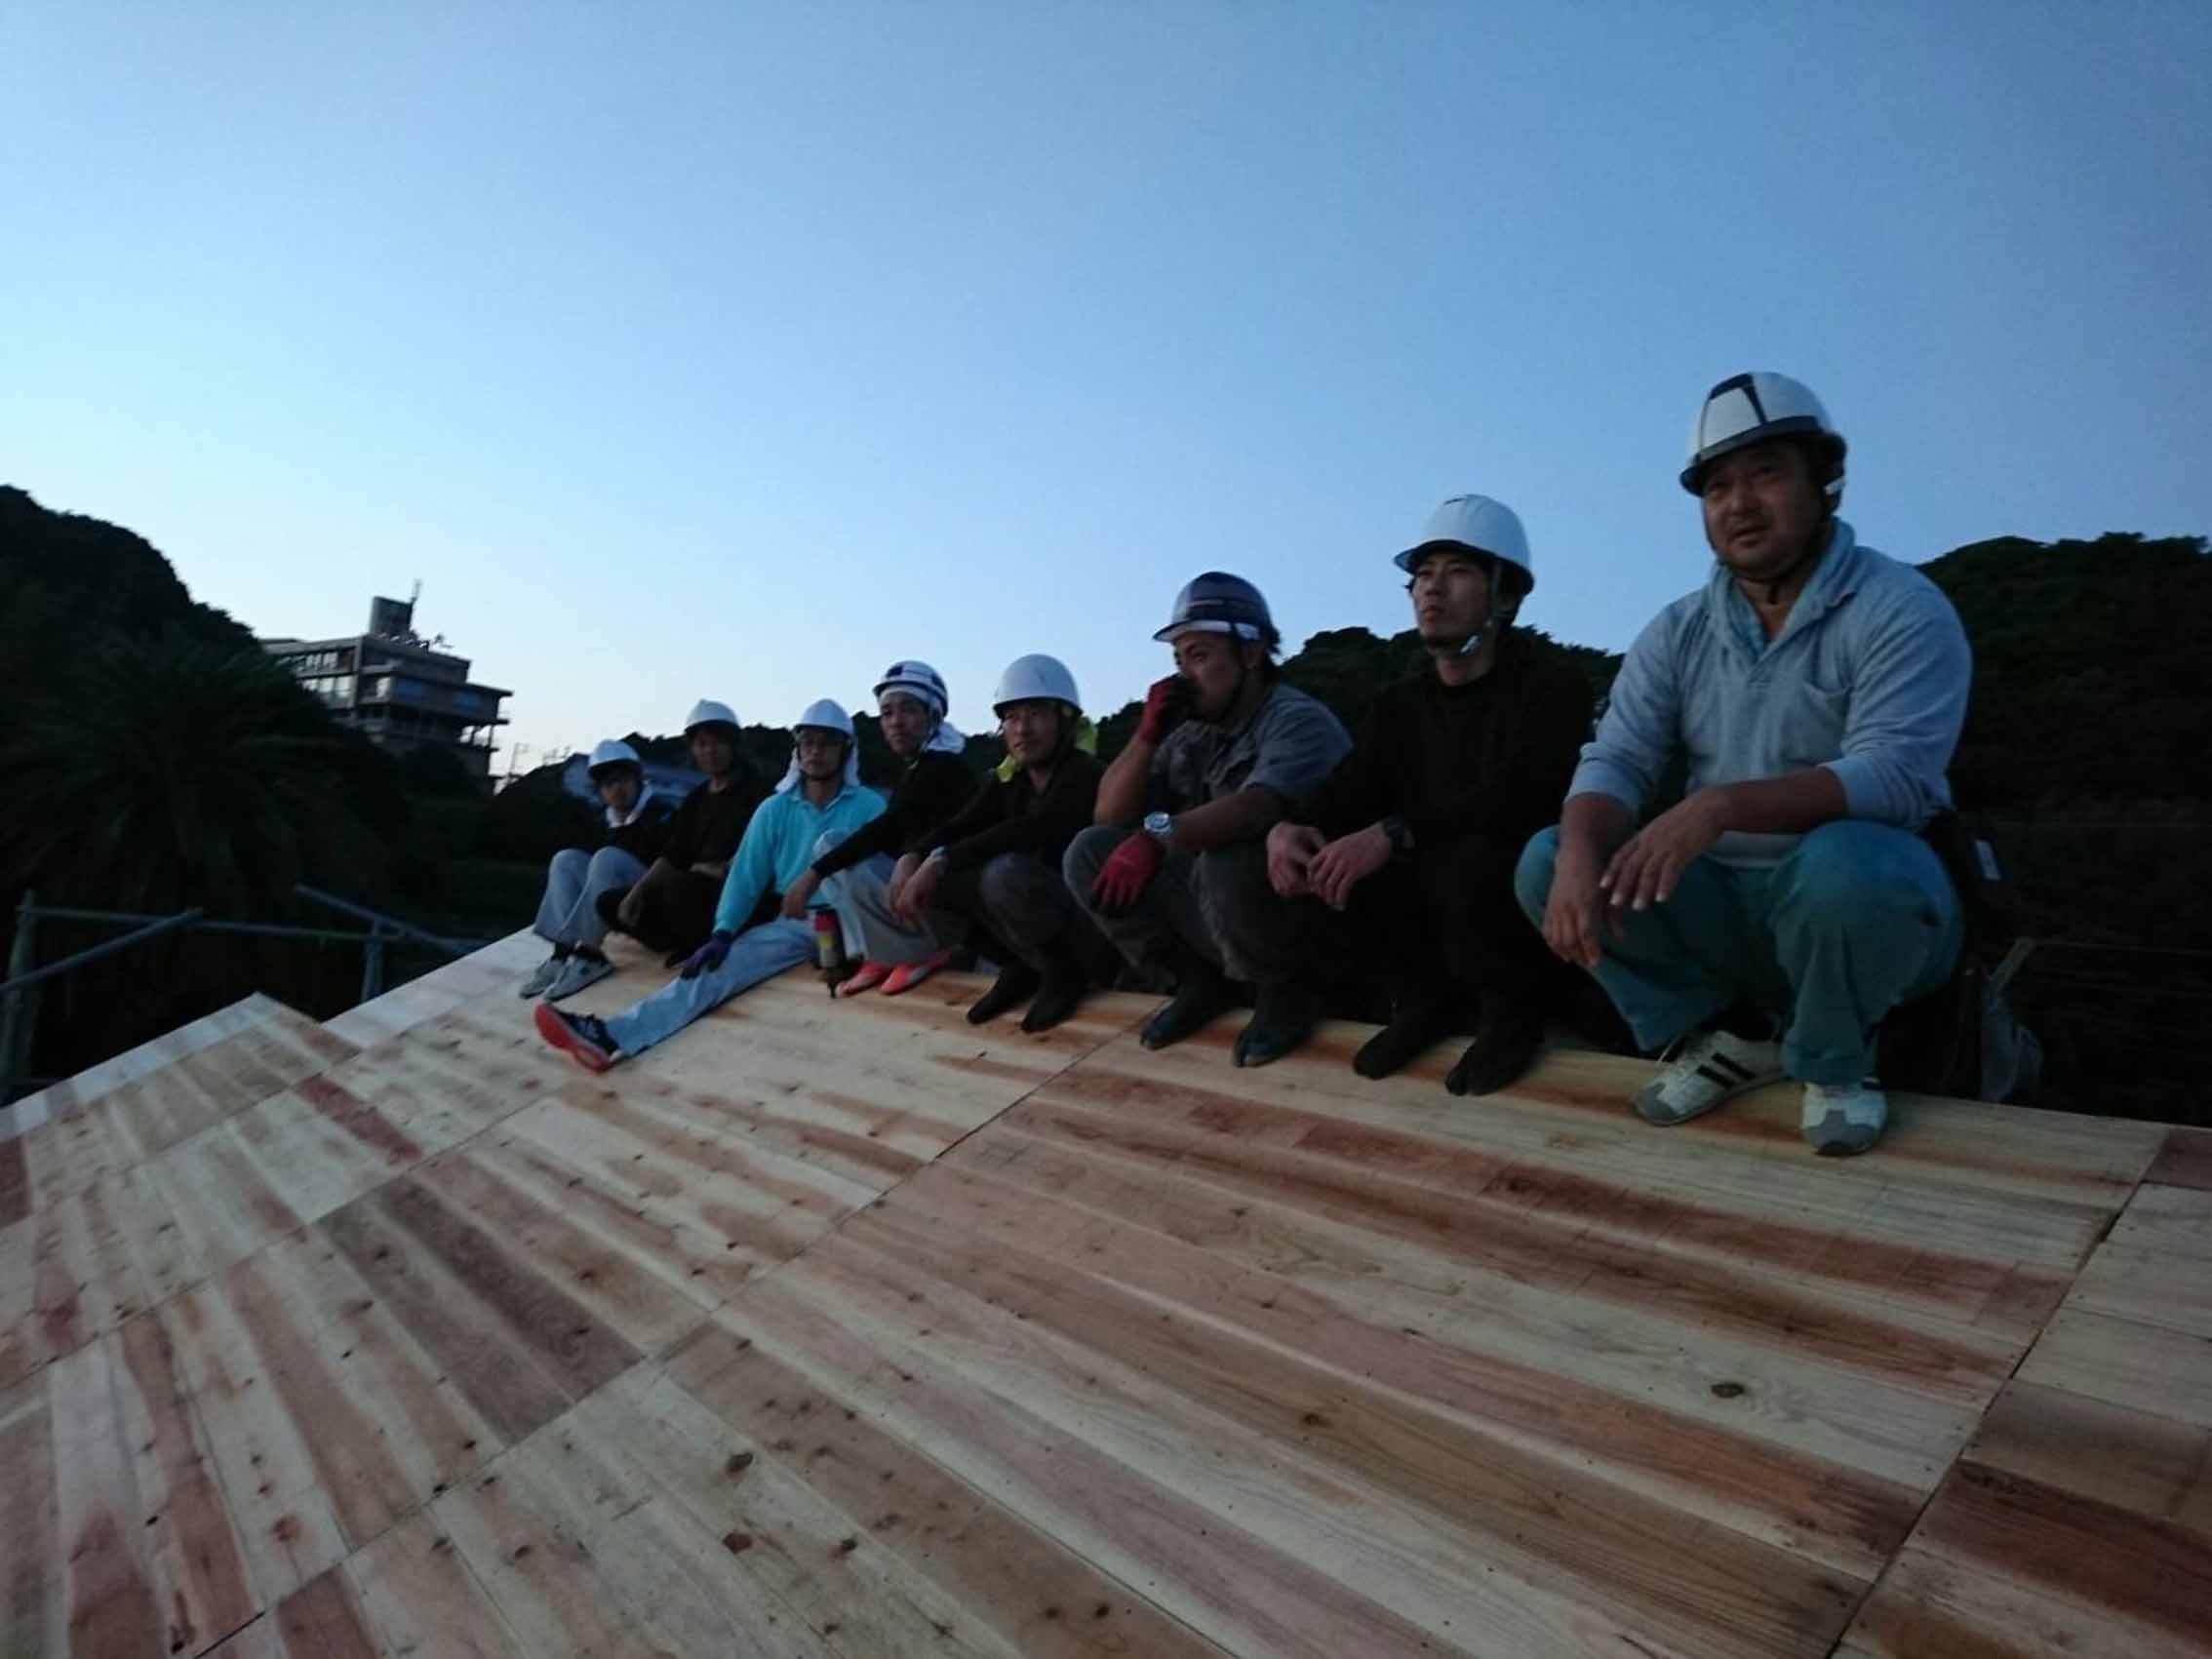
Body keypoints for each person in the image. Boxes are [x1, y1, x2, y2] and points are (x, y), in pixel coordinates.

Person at [1517, 373, 1971, 1155]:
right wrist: (1580, 854)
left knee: (1848, 866)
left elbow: (1897, 776)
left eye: (1766, 473)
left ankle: (1835, 1060)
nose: (1739, 504)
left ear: (1824, 481)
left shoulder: (1900, 605)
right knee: (1548, 859)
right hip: (1726, 905)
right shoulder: (1678, 630)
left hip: (1862, 903)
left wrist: (1719, 805)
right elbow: (1617, 757)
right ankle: (1729, 1036)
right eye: (1717, 486)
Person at [1265, 494, 1593, 1091]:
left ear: (1505, 595)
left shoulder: (1553, 687)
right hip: (1432, 907)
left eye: (1457, 571)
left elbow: (1527, 795)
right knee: (1322, 856)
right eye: (1422, 575)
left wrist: (1394, 832)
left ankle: (1514, 1013)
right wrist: (1288, 829)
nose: (1432, 590)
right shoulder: (1401, 705)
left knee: (1473, 856)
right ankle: (1420, 1001)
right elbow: (1349, 789)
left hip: (1517, 899)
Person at [1066, 573, 1352, 1062]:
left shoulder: (1297, 720)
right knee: (1089, 851)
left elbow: (1257, 807)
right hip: (1224, 916)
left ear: (1250, 654)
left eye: (1198, 657)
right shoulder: (1194, 731)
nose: (1184, 677)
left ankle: (1286, 991)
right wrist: (1147, 734)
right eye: (1178, 661)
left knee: (1227, 856)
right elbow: (1108, 812)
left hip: (1309, 920)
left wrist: (1155, 837)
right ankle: (1198, 981)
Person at [535, 700, 885, 1072]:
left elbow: (883, 874)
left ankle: (858, 955)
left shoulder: (869, 806)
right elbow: (746, 877)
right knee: (709, 973)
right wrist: (722, 933)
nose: (816, 751)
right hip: (796, 922)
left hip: (854, 920)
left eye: (827, 742)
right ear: (797, 749)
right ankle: (610, 1036)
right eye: (808, 742)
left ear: (846, 750)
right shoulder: (775, 809)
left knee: (833, 846)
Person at [893, 653, 1107, 1031]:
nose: (1022, 729)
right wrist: (914, 855)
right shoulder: (1011, 779)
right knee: (938, 881)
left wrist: (941, 860)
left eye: (1035, 714)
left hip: (1089, 924)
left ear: (1065, 719)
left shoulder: (1083, 773)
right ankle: (1018, 965)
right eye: (1011, 717)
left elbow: (1032, 827)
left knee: (1002, 871)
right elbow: (963, 824)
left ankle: (1065, 973)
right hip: (1040, 919)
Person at [788, 660, 975, 997]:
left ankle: (915, 953)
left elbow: (888, 827)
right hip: (925, 902)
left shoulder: (946, 767)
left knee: (832, 854)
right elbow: (894, 831)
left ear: (934, 716)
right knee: (831, 847)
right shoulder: (917, 768)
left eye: (908, 710)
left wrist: (813, 874)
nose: (896, 722)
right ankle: (878, 955)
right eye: (887, 713)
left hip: (949, 909)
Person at [598, 699, 763, 962]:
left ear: (733, 744)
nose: (709, 751)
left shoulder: (757, 791)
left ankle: (700, 943)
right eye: (701, 744)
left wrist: (713, 869)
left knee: (683, 885)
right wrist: (638, 891)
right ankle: (676, 942)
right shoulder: (697, 798)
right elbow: (674, 853)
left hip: (735, 893)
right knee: (610, 902)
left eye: (717, 742)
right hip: (689, 891)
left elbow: (760, 852)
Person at [518, 739, 681, 1002]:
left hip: (653, 905)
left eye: (623, 780)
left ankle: (590, 955)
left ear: (637, 780)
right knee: (565, 860)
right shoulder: (609, 821)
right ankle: (561, 954)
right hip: (617, 903)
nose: (617, 789)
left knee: (607, 858)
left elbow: (672, 864)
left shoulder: (661, 813)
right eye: (608, 784)